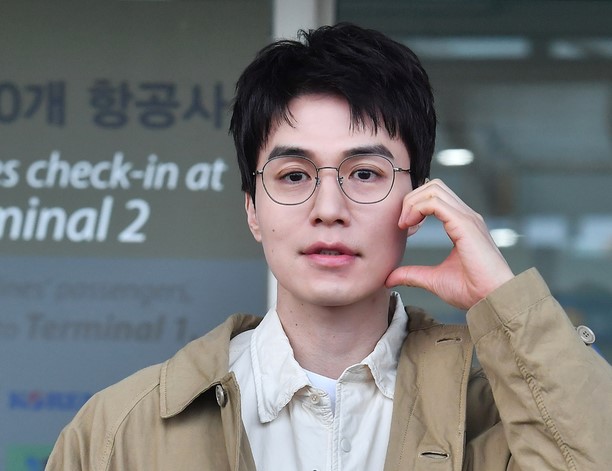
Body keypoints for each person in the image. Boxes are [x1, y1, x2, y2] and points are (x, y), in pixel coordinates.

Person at [46, 23, 611, 470]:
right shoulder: (118, 430)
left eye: (365, 173)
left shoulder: (502, 414)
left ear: (418, 203)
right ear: (252, 210)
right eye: (293, 176)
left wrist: (503, 300)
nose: (329, 208)